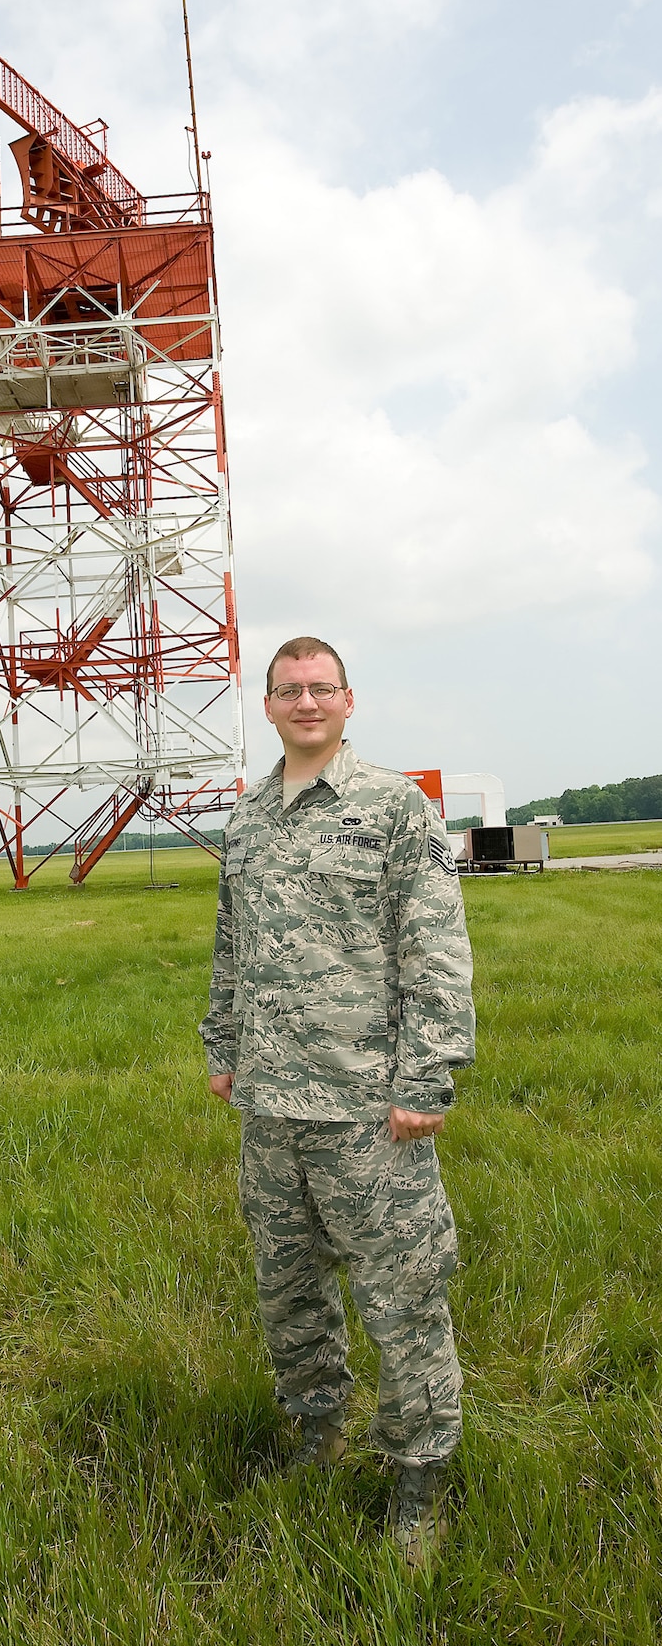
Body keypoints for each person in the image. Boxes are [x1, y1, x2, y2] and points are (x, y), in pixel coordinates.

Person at [200, 636, 474, 1566]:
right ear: (268, 705)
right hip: (271, 1111)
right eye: (289, 690)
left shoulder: (394, 807)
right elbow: (231, 945)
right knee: (289, 1293)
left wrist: (424, 1077)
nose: (306, 702)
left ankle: (417, 1483)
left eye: (321, 689)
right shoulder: (245, 822)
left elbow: (433, 948)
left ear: (347, 702)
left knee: (402, 1298)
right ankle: (315, 1438)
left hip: (368, 1112)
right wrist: (223, 1047)